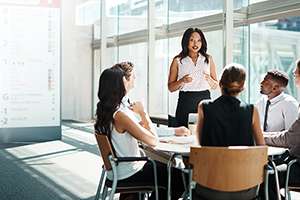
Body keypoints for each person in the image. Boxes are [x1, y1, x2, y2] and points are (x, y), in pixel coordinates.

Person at [94, 65, 185, 200]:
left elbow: (140, 131)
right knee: (181, 179)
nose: (135, 79)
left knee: (167, 173)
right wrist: (143, 113)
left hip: (117, 170)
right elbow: (153, 141)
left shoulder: (107, 111)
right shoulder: (120, 115)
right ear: (122, 82)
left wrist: (172, 131)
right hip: (130, 171)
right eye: (131, 77)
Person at [194, 63, 265, 200]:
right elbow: (261, 149)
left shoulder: (204, 107)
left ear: (220, 83)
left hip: (209, 187)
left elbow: (197, 144)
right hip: (246, 188)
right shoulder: (252, 110)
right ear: (243, 87)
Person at [115, 61, 191, 137]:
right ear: (124, 80)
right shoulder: (121, 111)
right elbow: (150, 137)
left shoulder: (119, 105)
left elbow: (142, 129)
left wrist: (140, 124)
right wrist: (143, 113)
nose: (135, 77)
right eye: (133, 75)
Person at [263, 59, 300, 199]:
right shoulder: (263, 102)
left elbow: (289, 139)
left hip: (296, 164)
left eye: (297, 70)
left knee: (266, 175)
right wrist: (262, 134)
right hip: (292, 158)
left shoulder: (290, 104)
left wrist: (261, 137)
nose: (294, 72)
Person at [168, 27, 218, 128]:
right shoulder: (178, 60)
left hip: (205, 100)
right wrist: (182, 80)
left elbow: (215, 86)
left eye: (199, 40)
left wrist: (209, 80)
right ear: (186, 41)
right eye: (192, 40)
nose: (195, 44)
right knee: (183, 133)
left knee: (205, 135)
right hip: (185, 101)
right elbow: (170, 87)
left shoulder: (208, 59)